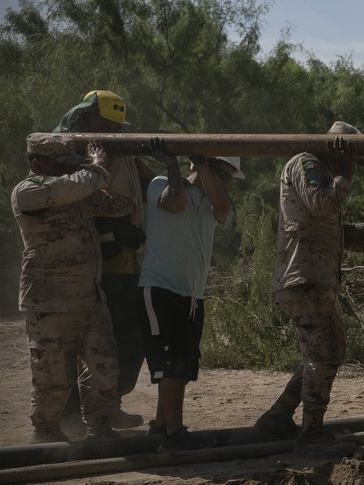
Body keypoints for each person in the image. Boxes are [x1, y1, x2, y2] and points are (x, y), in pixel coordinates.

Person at [254, 121, 364, 453]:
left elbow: (319, 227)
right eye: (354, 161)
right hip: (304, 278)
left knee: (328, 352)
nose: (355, 169)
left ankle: (278, 417)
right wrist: (345, 175)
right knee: (325, 354)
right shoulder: (307, 164)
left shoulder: (318, 171)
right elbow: (320, 206)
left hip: (313, 278)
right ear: (339, 151)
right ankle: (310, 432)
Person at [12, 136, 122, 442]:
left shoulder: (76, 187)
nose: (66, 172)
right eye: (59, 165)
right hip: (50, 302)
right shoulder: (28, 191)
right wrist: (97, 166)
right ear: (36, 164)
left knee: (104, 366)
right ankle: (46, 433)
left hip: (90, 298)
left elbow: (118, 203)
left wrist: (121, 165)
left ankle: (100, 425)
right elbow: (72, 186)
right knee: (52, 377)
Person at [139, 140, 241, 451]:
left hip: (192, 295)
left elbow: (223, 209)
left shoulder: (214, 204)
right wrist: (174, 166)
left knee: (181, 365)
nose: (222, 182)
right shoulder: (161, 184)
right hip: (160, 288)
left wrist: (204, 165)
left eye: (223, 176)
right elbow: (174, 203)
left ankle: (161, 426)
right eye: (220, 173)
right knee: (171, 364)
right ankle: (173, 436)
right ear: (202, 167)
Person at [57, 90, 151, 432]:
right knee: (97, 342)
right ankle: (78, 413)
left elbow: (147, 183)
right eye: (106, 124)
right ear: (84, 120)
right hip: (96, 266)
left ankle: (108, 404)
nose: (114, 132)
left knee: (129, 338)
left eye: (117, 126)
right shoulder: (74, 159)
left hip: (124, 263)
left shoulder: (123, 152)